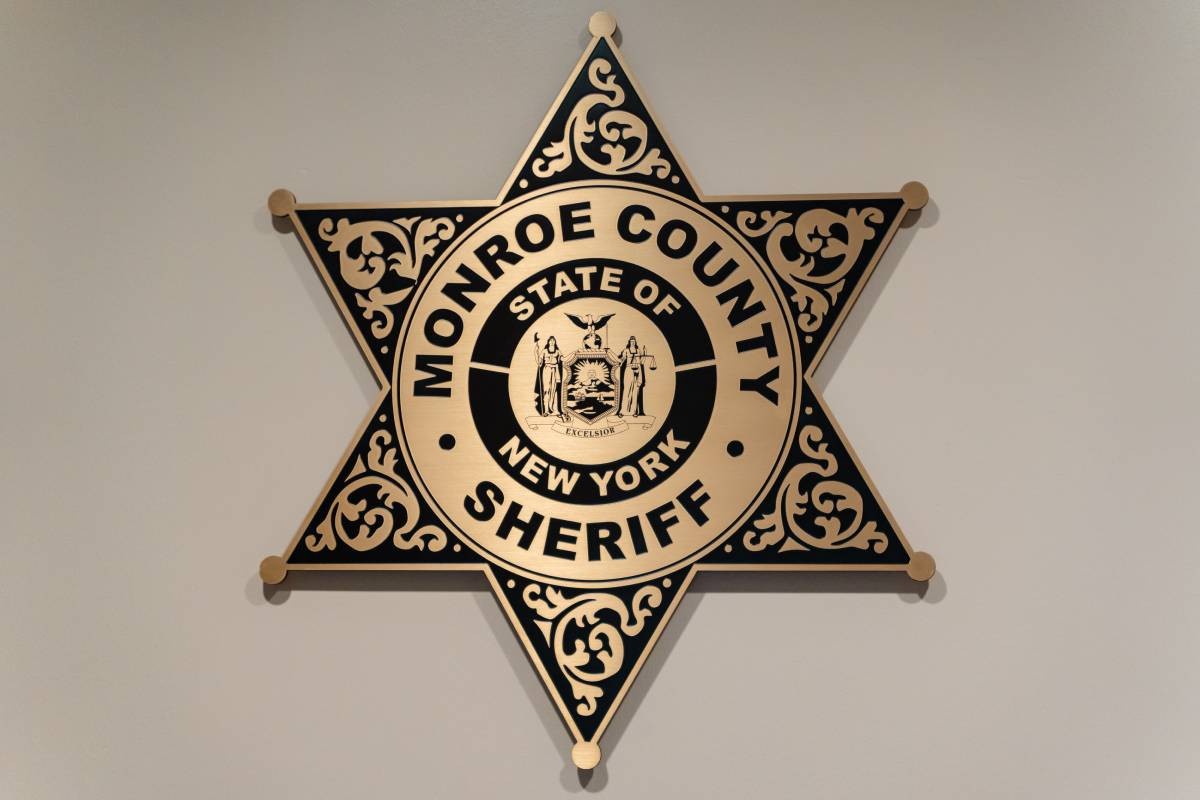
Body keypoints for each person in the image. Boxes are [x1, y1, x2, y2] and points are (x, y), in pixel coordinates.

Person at [533, 335, 565, 418]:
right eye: (550, 340)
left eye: (553, 340)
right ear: (548, 342)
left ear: (555, 342)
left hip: (555, 370)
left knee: (553, 391)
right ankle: (546, 410)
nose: (552, 342)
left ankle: (553, 409)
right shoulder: (544, 351)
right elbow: (539, 363)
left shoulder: (558, 351)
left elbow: (563, 359)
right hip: (546, 370)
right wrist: (536, 352)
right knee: (546, 390)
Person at [616, 336, 647, 417]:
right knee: (627, 390)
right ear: (629, 342)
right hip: (629, 370)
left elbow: (641, 362)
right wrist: (617, 362)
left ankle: (634, 412)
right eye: (631, 341)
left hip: (637, 370)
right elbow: (622, 360)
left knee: (635, 391)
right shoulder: (626, 351)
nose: (632, 343)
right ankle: (622, 411)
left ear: (635, 342)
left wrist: (645, 353)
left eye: (634, 341)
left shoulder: (638, 350)